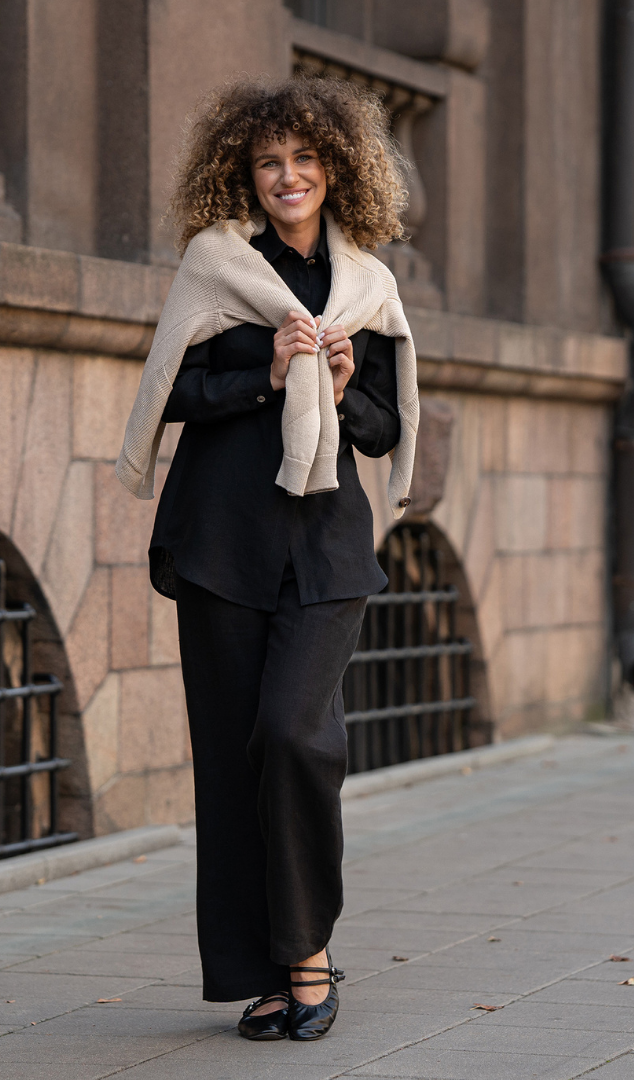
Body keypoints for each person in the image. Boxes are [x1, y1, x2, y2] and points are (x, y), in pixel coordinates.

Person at [116, 76, 418, 1042]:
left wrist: (335, 380)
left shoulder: (369, 286)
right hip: (222, 546)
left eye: (304, 159)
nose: (287, 176)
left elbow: (380, 427)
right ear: (244, 173)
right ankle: (262, 973)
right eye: (268, 162)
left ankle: (310, 954)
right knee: (231, 759)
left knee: (296, 735)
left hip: (326, 551)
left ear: (337, 169)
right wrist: (269, 373)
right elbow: (177, 391)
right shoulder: (215, 265)